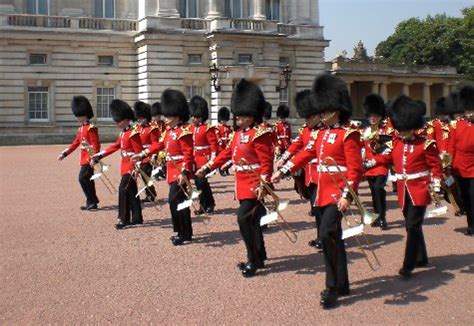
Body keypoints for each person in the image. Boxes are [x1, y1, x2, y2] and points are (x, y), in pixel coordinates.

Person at [272, 74, 363, 309]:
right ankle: (342, 283)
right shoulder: (320, 133)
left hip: (337, 194)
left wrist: (347, 195)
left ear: (337, 109)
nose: (321, 115)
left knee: (325, 235)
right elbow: (306, 154)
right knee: (334, 237)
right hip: (322, 191)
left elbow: (355, 169)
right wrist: (284, 170)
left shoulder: (349, 134)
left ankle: (332, 286)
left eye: (325, 111)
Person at [196, 79, 274, 277]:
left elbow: (267, 162)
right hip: (241, 184)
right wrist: (207, 168)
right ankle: (260, 255)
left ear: (252, 114)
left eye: (242, 114)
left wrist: (264, 184)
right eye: (237, 114)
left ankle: (253, 260)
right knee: (253, 222)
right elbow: (225, 155)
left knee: (244, 220)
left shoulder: (260, 134)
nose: (237, 117)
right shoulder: (238, 135)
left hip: (255, 184)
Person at [371, 95, 443, 277]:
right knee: (412, 226)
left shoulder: (426, 145)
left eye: (404, 130)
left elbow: (436, 166)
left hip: (420, 189)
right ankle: (421, 256)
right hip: (404, 190)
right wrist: (366, 163)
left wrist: (436, 186)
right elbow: (384, 158)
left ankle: (408, 265)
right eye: (400, 130)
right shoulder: (397, 143)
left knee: (412, 226)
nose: (402, 133)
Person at [134, 89, 195, 245]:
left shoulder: (184, 131)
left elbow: (188, 154)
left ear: (177, 115)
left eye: (168, 116)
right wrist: (143, 154)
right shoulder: (169, 131)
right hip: (171, 170)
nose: (165, 119)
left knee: (174, 200)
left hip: (180, 171)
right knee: (180, 202)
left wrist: (185, 172)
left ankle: (181, 232)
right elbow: (159, 144)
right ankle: (185, 232)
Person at [276, 90, 323, 249]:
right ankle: (322, 236)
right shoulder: (306, 129)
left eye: (309, 117)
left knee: (321, 207)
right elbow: (296, 145)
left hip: (324, 174)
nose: (306, 120)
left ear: (318, 115)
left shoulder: (325, 130)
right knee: (316, 207)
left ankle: (327, 237)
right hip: (310, 171)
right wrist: (283, 158)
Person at [91, 100, 144, 229]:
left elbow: (139, 152)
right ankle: (137, 218)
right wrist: (99, 155)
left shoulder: (133, 133)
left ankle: (123, 218)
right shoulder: (123, 133)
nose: (117, 123)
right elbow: (114, 147)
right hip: (124, 166)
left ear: (126, 119)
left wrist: (137, 167)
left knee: (122, 190)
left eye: (118, 120)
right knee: (131, 192)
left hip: (131, 167)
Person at [58, 96, 100, 211]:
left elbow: (96, 145)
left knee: (82, 178)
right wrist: (65, 153)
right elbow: (75, 143)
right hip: (84, 158)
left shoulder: (91, 128)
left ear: (84, 114)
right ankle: (92, 201)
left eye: (79, 114)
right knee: (88, 180)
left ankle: (91, 200)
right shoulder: (81, 129)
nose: (77, 117)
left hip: (89, 158)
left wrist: (94, 157)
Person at [361, 94, 393, 230]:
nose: (372, 118)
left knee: (378, 188)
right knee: (373, 192)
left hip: (381, 166)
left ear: (380, 116)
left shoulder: (386, 131)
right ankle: (376, 216)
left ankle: (382, 218)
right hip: (368, 166)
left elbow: (388, 152)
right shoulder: (365, 130)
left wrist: (373, 162)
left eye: (375, 116)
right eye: (371, 116)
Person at [448, 86, 474, 236]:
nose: (470, 113)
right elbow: (452, 145)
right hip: (460, 166)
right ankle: (471, 224)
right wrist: (448, 163)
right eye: (468, 110)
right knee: (466, 197)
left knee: (473, 196)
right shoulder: (457, 125)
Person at [189, 95, 218, 214]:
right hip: (195, 158)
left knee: (201, 183)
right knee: (198, 184)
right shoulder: (191, 128)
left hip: (204, 159)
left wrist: (212, 160)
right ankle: (206, 204)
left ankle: (206, 204)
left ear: (201, 117)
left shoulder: (207, 129)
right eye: (193, 116)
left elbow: (213, 145)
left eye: (196, 117)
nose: (194, 119)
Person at [133, 101, 159, 202]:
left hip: (147, 156)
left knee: (146, 176)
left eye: (141, 118)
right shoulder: (137, 128)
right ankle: (151, 192)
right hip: (139, 155)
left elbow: (155, 144)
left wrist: (154, 156)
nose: (139, 120)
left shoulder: (151, 129)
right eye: (138, 118)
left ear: (146, 117)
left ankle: (151, 194)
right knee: (143, 176)